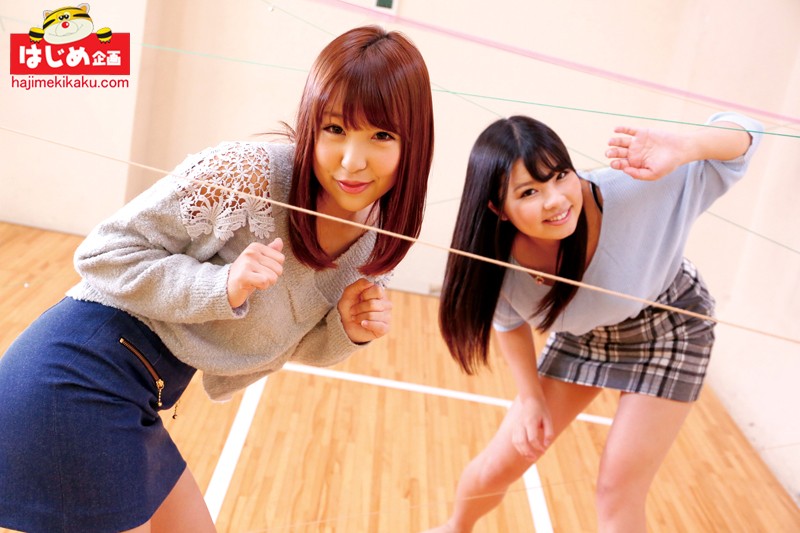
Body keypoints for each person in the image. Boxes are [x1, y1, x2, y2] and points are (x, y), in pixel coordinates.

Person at [0, 25, 434, 533]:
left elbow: (283, 345)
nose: (352, 161)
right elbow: (103, 253)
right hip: (76, 374)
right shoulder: (247, 173)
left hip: (138, 397)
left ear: (414, 141)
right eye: (335, 128)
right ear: (310, 122)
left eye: (381, 135)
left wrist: (347, 331)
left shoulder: (377, 240)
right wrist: (222, 286)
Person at [429, 112, 762, 532]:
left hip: (669, 327)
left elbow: (750, 133)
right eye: (529, 191)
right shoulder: (496, 258)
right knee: (501, 463)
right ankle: (454, 527)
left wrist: (687, 146)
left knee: (616, 490)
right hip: (583, 336)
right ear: (499, 209)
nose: (555, 200)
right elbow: (508, 323)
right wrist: (530, 399)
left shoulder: (635, 188)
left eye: (560, 176)